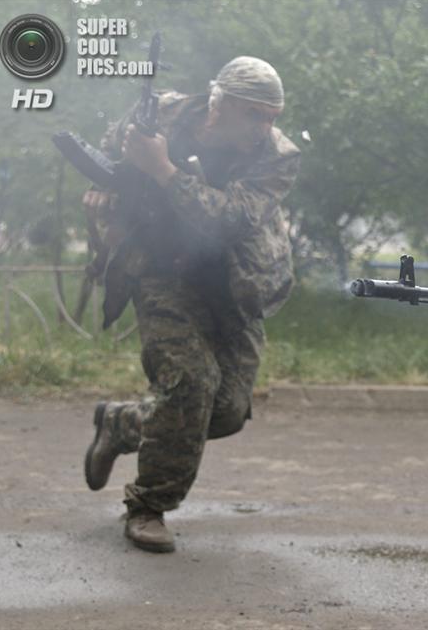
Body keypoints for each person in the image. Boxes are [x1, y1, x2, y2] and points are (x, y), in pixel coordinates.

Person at [82, 56, 301, 553]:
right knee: (192, 386)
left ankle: (119, 423)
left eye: (272, 116)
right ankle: (147, 507)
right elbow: (111, 149)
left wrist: (162, 171)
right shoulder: (162, 114)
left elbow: (230, 221)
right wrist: (101, 187)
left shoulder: (277, 156)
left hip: (234, 283)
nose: (264, 127)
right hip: (162, 273)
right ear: (218, 104)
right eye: (254, 115)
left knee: (224, 412)